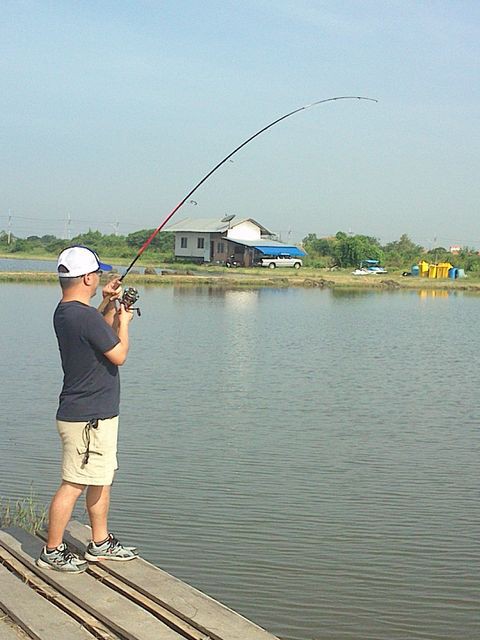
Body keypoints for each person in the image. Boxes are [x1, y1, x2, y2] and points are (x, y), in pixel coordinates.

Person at [37, 246, 137, 573]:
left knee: (100, 479)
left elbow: (96, 326)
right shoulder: (83, 316)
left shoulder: (67, 311)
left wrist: (107, 303)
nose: (100, 280)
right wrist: (124, 320)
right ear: (88, 277)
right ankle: (52, 550)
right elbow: (118, 352)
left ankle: (100, 541)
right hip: (87, 418)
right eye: (97, 276)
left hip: (93, 414)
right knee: (74, 483)